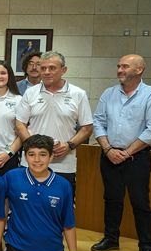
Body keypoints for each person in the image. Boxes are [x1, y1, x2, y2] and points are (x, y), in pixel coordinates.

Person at [91, 54, 151, 251]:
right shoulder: (109, 93)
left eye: (125, 66)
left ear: (139, 69)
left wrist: (128, 152)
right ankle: (111, 239)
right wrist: (107, 148)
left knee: (140, 202)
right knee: (112, 199)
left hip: (137, 157)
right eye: (119, 66)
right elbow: (98, 122)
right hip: (109, 155)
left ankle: (146, 246)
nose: (120, 70)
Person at [1, 135, 79, 251]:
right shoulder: (12, 177)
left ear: (51, 157)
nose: (37, 160)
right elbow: (1, 209)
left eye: (43, 154)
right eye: (32, 154)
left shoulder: (63, 185)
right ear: (24, 156)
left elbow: (68, 224)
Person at [15, 51, 93, 194]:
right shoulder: (30, 93)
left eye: (52, 68)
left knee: (59, 210)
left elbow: (87, 128)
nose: (46, 72)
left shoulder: (78, 94)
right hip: (32, 163)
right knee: (27, 206)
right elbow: (20, 124)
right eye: (43, 68)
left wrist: (69, 145)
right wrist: (33, 147)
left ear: (63, 70)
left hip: (63, 164)